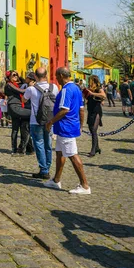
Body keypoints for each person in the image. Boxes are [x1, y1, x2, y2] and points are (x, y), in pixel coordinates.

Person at [44, 67, 91, 195]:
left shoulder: (66, 89)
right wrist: (80, 125)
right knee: (60, 153)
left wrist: (50, 122)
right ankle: (56, 180)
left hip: (66, 127)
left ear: (61, 75)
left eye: (57, 76)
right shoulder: (76, 88)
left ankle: (84, 185)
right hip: (68, 126)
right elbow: (81, 109)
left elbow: (64, 109)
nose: (56, 79)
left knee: (72, 154)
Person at [23, 67, 58, 180]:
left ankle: (43, 170)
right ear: (46, 75)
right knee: (48, 144)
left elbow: (24, 100)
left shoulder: (31, 89)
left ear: (36, 77)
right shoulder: (54, 87)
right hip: (50, 120)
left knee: (39, 144)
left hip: (35, 120)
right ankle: (47, 167)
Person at [4, 71, 32, 155]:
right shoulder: (9, 85)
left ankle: (18, 148)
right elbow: (20, 91)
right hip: (14, 107)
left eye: (17, 74)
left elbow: (22, 85)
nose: (16, 76)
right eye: (13, 75)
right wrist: (30, 87)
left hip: (19, 106)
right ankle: (15, 148)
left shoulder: (17, 84)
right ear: (9, 77)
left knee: (16, 128)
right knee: (32, 113)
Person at [84, 75, 105, 157]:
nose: (89, 82)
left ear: (93, 81)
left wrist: (92, 93)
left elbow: (103, 95)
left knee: (93, 130)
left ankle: (93, 150)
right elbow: (86, 99)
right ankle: (97, 148)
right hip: (90, 110)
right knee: (91, 129)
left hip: (96, 111)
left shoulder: (98, 89)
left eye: (90, 81)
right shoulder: (88, 89)